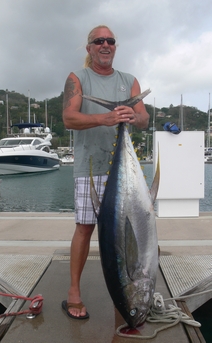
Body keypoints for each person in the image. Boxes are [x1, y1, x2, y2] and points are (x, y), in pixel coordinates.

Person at [62, 25, 150, 319]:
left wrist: (132, 116)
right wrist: (107, 117)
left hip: (126, 175)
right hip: (90, 169)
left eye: (110, 41)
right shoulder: (78, 78)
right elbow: (69, 118)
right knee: (85, 229)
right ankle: (74, 292)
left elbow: (144, 120)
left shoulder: (130, 81)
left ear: (115, 46)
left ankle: (127, 290)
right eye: (98, 41)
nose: (105, 45)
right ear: (89, 48)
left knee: (132, 233)